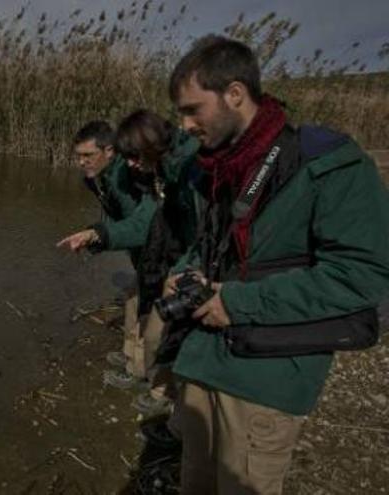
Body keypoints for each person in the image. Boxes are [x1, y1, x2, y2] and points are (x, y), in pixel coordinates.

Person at [165, 34, 389, 494]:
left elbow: (363, 278)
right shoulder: (210, 169)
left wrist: (239, 303)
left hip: (263, 382)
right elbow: (207, 246)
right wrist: (183, 272)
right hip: (204, 364)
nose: (183, 125)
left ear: (235, 94)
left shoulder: (328, 166)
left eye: (192, 109)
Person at [109, 109, 199, 415]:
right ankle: (153, 383)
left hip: (189, 263)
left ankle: (165, 396)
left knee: (160, 330)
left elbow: (204, 228)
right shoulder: (167, 169)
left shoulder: (189, 167)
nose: (132, 165)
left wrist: (184, 267)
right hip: (175, 256)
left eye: (135, 157)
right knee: (148, 316)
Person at [56, 121, 158, 388]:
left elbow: (144, 224)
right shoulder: (101, 178)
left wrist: (97, 235)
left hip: (158, 250)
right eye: (78, 156)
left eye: (88, 155)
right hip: (140, 250)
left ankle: (143, 374)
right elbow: (116, 217)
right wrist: (95, 236)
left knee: (150, 308)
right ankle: (131, 357)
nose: (81, 162)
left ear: (110, 151)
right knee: (134, 298)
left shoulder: (129, 173)